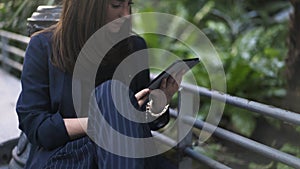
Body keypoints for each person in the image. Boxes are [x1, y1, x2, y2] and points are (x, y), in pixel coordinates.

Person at [16, 0, 184, 168]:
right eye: (116, 6)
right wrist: (106, 120)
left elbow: (146, 124)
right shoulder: (44, 46)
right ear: (87, 7)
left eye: (129, 5)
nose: (126, 15)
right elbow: (37, 127)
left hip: (126, 155)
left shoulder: (134, 47)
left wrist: (161, 101)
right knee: (111, 93)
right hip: (67, 156)